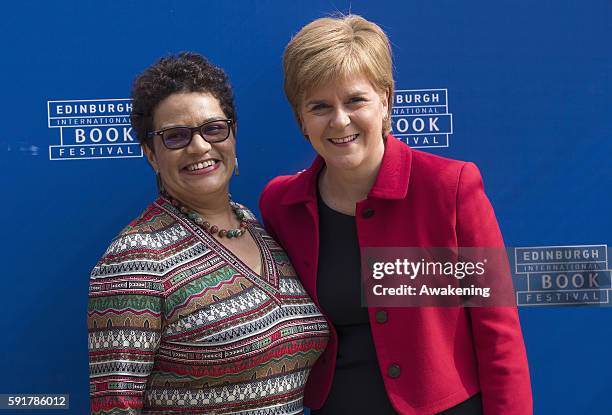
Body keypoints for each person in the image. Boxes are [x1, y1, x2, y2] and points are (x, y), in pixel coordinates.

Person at [259, 15, 532, 415]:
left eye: (355, 100)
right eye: (320, 106)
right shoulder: (282, 204)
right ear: (301, 117)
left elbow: (499, 334)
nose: (339, 121)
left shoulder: (450, 187)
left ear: (385, 99)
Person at [87, 52, 329, 415]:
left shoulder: (254, 226)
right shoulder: (136, 259)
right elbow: (114, 408)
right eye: (176, 136)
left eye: (213, 128)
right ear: (151, 155)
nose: (199, 146)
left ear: (232, 135)